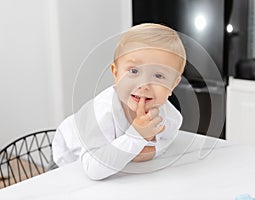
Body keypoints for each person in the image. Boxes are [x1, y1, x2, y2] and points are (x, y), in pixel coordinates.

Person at [52, 23, 187, 180]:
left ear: (173, 84)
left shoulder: (170, 117)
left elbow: (167, 139)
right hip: (69, 160)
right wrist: (137, 137)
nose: (144, 85)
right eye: (134, 71)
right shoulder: (103, 110)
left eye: (158, 76)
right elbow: (93, 169)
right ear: (116, 73)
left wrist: (152, 150)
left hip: (114, 168)